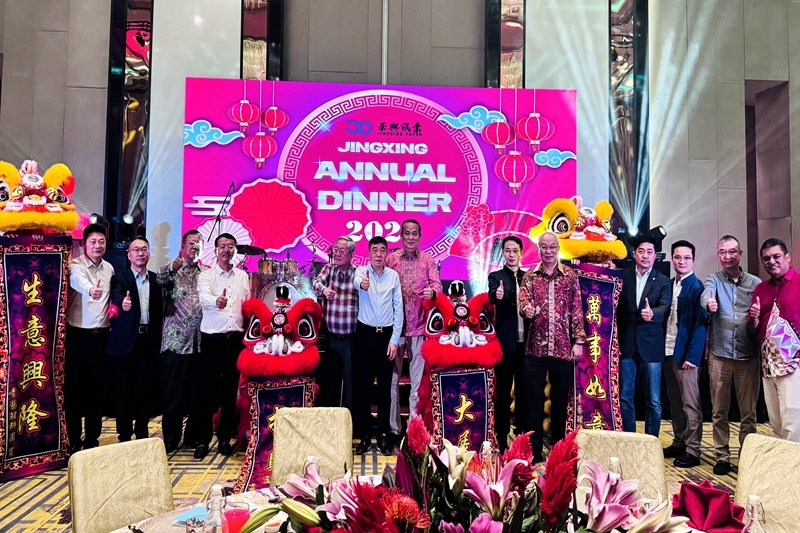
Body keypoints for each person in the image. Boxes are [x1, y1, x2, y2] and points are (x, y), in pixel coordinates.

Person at [518, 232, 586, 462]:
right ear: (538, 250)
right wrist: (526, 309)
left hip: (563, 348)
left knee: (559, 403)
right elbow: (523, 301)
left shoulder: (570, 276)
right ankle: (534, 452)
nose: (548, 251)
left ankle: (558, 451)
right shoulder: (530, 275)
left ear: (558, 249)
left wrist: (578, 341)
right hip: (535, 349)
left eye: (552, 247)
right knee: (533, 403)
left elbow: (577, 308)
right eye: (544, 247)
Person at [700, 235, 760, 475]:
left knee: (749, 413)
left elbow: (760, 318)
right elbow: (706, 295)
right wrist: (709, 304)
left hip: (748, 356)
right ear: (718, 255)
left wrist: (756, 316)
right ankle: (721, 456)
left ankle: (746, 456)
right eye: (723, 252)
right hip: (720, 355)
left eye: (732, 251)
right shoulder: (713, 279)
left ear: (740, 254)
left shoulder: (755, 283)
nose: (727, 256)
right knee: (719, 411)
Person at [192, 232, 251, 459]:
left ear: (235, 250)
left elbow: (246, 304)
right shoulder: (206, 276)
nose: (227, 250)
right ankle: (202, 440)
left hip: (233, 340)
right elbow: (204, 297)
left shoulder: (242, 276)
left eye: (231, 246)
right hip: (212, 340)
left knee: (229, 391)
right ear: (216, 251)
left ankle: (225, 438)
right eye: (223, 246)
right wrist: (216, 301)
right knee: (206, 391)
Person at [386, 219, 442, 443]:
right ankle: (393, 430)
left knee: (416, 385)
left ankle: (413, 431)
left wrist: (432, 292)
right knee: (392, 382)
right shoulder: (391, 259)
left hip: (418, 327)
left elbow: (437, 285)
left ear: (420, 236)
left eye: (414, 233)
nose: (410, 237)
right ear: (401, 236)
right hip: (395, 330)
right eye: (406, 233)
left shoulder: (428, 260)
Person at [106, 236, 163, 443]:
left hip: (148, 341)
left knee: (144, 389)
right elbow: (115, 296)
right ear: (129, 255)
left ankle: (142, 432)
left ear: (149, 253)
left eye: (144, 249)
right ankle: (124, 434)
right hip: (126, 342)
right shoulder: (120, 278)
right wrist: (123, 303)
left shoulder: (156, 280)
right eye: (136, 250)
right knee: (123, 390)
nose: (140, 253)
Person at [65, 223, 115, 453]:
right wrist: (89, 289)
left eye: (101, 241)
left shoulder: (109, 269)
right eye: (93, 242)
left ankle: (92, 439)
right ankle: (74, 439)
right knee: (75, 390)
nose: (97, 246)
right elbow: (77, 280)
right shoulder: (75, 265)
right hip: (78, 337)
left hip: (102, 337)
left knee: (98, 390)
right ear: (84, 244)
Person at [157, 229, 207, 453]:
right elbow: (160, 279)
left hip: (199, 342)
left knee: (197, 394)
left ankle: (193, 436)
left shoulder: (206, 274)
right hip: (175, 342)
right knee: (173, 394)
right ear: (183, 248)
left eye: (198, 244)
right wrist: (172, 266)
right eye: (191, 243)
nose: (195, 247)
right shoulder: (173, 270)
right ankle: (170, 437)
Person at [353, 236, 404, 455]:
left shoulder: (393, 276)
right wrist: (361, 284)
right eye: (375, 250)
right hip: (365, 335)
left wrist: (394, 340)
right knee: (363, 386)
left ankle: (383, 434)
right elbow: (357, 282)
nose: (379, 254)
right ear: (369, 253)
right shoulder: (361, 272)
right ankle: (365, 435)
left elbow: (398, 309)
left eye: (382, 250)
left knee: (384, 388)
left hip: (386, 337)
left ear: (386, 253)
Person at [617, 234, 672, 437]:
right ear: (634, 254)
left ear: (655, 256)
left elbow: (665, 307)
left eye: (650, 252)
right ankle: (630, 440)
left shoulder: (663, 281)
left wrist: (653, 314)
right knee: (625, 397)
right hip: (627, 345)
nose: (645, 256)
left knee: (654, 400)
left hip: (651, 346)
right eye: (641, 251)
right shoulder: (623, 276)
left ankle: (651, 442)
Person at [748, 237, 800, 442]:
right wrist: (753, 318)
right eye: (766, 258)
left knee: (793, 421)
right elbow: (752, 330)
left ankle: (794, 461)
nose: (771, 261)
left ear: (787, 257)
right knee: (776, 423)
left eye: (776, 256)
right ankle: (782, 461)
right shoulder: (761, 289)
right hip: (768, 365)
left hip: (794, 364)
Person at [662, 240, 708, 468]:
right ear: (672, 259)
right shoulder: (669, 284)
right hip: (667, 351)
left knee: (690, 404)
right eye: (678, 257)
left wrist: (693, 357)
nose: (682, 261)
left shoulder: (696, 287)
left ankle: (693, 449)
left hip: (686, 356)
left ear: (693, 260)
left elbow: (700, 326)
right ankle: (679, 441)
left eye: (686, 258)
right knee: (675, 402)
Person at [487, 235, 529, 451]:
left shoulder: (529, 276)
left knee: (524, 392)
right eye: (507, 251)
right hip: (505, 344)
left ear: (521, 253)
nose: (511, 255)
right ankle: (501, 438)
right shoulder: (496, 276)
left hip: (526, 344)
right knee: (502, 392)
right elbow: (492, 295)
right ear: (503, 253)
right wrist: (497, 294)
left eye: (515, 251)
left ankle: (521, 436)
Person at [312, 236, 359, 409]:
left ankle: (350, 418)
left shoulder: (358, 273)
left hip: (351, 339)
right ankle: (331, 420)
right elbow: (315, 283)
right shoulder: (329, 269)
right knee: (331, 382)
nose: (337, 254)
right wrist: (324, 290)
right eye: (335, 250)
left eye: (342, 251)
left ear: (351, 254)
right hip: (331, 338)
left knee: (350, 382)